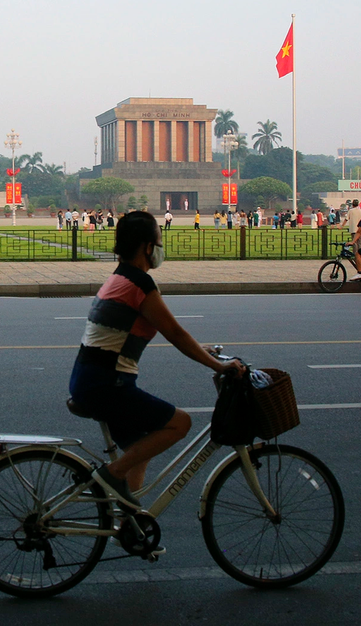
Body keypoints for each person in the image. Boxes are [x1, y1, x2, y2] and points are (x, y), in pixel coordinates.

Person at [68, 211, 243, 514]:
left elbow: (162, 329)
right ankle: (109, 476)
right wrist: (219, 367)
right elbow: (174, 332)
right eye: (159, 240)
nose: (161, 247)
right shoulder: (140, 284)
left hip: (91, 380)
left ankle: (129, 520)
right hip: (108, 384)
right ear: (148, 247)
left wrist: (202, 350)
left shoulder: (119, 277)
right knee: (180, 423)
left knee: (140, 449)